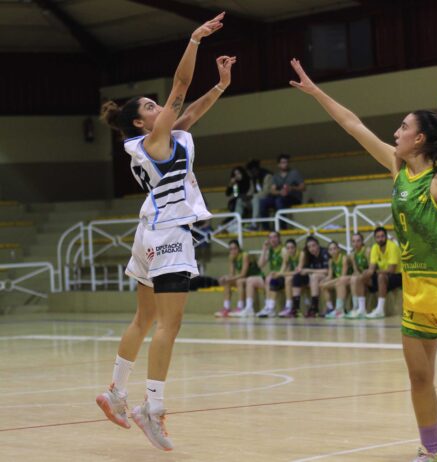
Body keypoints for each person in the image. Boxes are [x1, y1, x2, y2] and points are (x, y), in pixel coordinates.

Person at [289, 58, 437, 461]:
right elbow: (352, 124)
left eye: (403, 127)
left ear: (420, 139)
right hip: (416, 291)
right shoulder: (397, 168)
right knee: (418, 377)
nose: (396, 133)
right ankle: (432, 451)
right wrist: (315, 92)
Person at [95, 14, 229, 452]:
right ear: (139, 123)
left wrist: (220, 86)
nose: (160, 108)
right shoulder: (155, 142)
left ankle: (116, 391)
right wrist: (195, 39)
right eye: (151, 107)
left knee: (145, 318)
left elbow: (190, 111)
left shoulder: (162, 139)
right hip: (169, 233)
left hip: (148, 230)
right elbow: (181, 87)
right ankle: (151, 408)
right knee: (170, 324)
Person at [347, 226, 402, 319]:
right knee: (361, 278)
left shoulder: (393, 246)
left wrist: (375, 272)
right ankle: (361, 309)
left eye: (382, 236)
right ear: (375, 238)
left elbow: (391, 270)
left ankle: (380, 310)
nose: (380, 239)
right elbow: (371, 268)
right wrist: (365, 275)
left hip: (398, 276)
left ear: (386, 237)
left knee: (381, 277)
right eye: (378, 237)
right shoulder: (375, 247)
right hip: (383, 275)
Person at [215, 239, 262, 318]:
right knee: (227, 282)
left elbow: (243, 274)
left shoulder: (244, 255)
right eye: (231, 249)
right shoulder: (231, 257)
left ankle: (240, 307)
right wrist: (225, 278)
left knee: (239, 281)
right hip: (245, 278)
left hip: (253, 277)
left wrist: (229, 278)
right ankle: (226, 307)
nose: (233, 251)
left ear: (239, 248)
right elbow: (232, 274)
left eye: (235, 248)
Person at [244, 231, 284, 318]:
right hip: (272, 277)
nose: (272, 239)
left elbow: (287, 266)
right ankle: (249, 308)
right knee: (250, 280)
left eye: (274, 237)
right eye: (270, 237)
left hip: (282, 276)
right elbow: (260, 265)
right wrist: (264, 249)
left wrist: (278, 273)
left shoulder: (283, 249)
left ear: (279, 238)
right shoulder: (270, 250)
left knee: (269, 278)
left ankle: (269, 308)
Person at [259, 154, 305, 229]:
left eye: (286, 162)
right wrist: (280, 192)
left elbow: (303, 187)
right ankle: (266, 228)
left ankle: (282, 228)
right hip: (281, 197)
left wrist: (292, 188)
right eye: (283, 162)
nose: (285, 164)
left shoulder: (294, 173)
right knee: (263, 202)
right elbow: (272, 190)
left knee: (279, 201)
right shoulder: (276, 176)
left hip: (293, 197)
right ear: (279, 164)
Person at [289, 236, 329, 318]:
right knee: (297, 277)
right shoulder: (308, 254)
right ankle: (296, 308)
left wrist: (309, 270)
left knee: (314, 276)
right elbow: (300, 269)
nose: (311, 248)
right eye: (309, 247)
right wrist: (300, 268)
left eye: (313, 245)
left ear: (318, 245)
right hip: (313, 276)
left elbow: (327, 271)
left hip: (326, 276)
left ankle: (314, 308)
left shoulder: (324, 252)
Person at [340, 232, 370, 318]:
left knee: (354, 279)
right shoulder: (352, 254)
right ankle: (340, 309)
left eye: (358, 241)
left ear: (362, 241)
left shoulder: (367, 251)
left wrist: (360, 275)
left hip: (370, 276)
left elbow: (371, 268)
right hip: (360, 277)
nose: (356, 243)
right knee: (342, 280)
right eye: (353, 241)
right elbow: (356, 270)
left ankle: (357, 307)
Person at [319, 241, 349, 319]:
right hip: (338, 280)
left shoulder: (344, 258)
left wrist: (328, 283)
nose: (333, 251)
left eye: (334, 248)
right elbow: (330, 276)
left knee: (339, 282)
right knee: (323, 285)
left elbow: (343, 276)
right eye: (330, 249)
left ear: (339, 249)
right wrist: (323, 281)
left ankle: (339, 310)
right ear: (328, 252)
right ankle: (330, 309)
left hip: (347, 279)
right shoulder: (330, 261)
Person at [276, 238, 302, 317]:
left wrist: (281, 274)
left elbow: (298, 272)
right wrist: (277, 274)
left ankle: (289, 306)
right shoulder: (287, 256)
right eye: (288, 248)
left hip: (304, 276)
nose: (290, 250)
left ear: (296, 247)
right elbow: (281, 271)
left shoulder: (301, 254)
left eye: (292, 247)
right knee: (272, 280)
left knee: (288, 279)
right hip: (294, 277)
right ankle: (269, 306)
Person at [245, 159, 273, 230]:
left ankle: (254, 224)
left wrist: (253, 196)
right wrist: (246, 196)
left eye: (252, 171)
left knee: (255, 198)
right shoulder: (253, 178)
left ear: (256, 169)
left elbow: (266, 192)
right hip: (256, 198)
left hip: (268, 198)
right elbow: (251, 190)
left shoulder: (267, 176)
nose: (251, 173)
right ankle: (236, 222)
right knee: (240, 201)